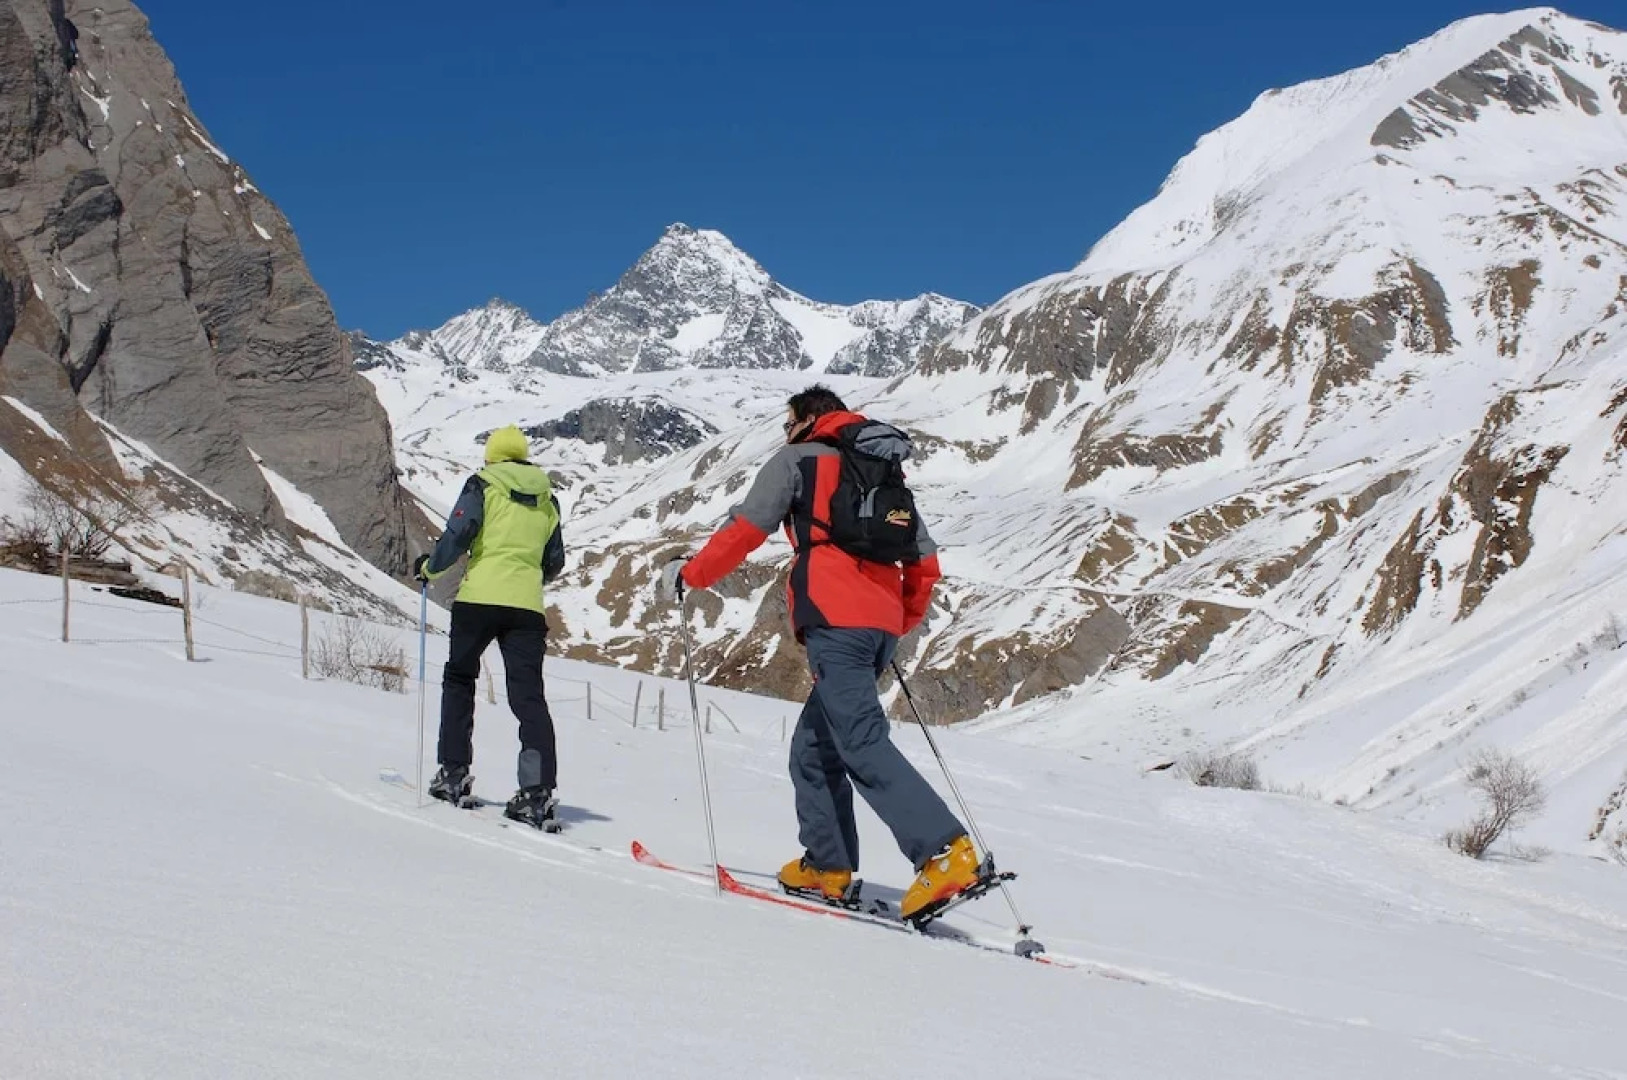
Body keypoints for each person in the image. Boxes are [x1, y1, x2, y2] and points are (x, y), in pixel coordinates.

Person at [655, 385, 980, 923]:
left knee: (860, 740)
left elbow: (747, 528)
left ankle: (944, 852)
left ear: (808, 419)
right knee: (813, 750)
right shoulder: (883, 468)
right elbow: (924, 563)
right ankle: (827, 867)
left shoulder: (799, 461)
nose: (784, 433)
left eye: (787, 424)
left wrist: (690, 576)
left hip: (836, 621)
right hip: (877, 628)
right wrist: (897, 619)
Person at [413, 425, 565, 830]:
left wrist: (429, 567)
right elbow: (555, 561)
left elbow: (458, 533)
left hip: (478, 600)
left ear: (493, 456)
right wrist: (524, 579)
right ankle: (536, 796)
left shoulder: (483, 484)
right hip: (526, 608)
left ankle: (453, 775)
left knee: (460, 680)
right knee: (529, 698)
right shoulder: (548, 498)